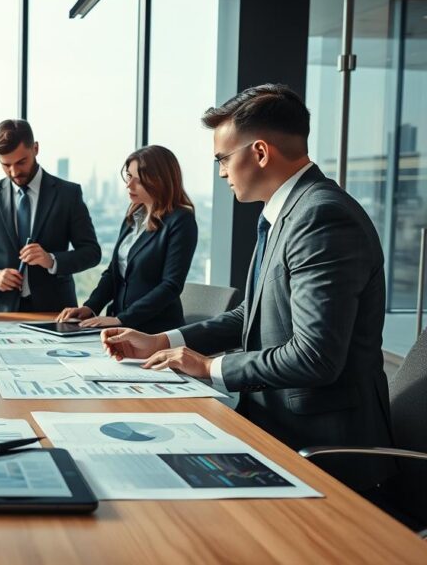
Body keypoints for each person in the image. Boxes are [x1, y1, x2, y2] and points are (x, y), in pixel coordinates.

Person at [101, 84, 394, 492]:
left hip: (324, 449)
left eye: (222, 158)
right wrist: (160, 341)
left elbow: (315, 357)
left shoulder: (321, 217)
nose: (221, 172)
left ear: (259, 152)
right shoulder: (284, 213)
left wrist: (208, 367)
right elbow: (249, 314)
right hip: (274, 425)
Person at [56, 145, 197, 334]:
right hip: (119, 326)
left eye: (139, 180)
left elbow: (170, 286)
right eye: (129, 176)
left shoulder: (181, 220)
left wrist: (122, 319)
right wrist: (90, 307)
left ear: (159, 181)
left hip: (154, 331)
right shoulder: (133, 216)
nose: (129, 185)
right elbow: (114, 273)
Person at [0, 119, 101, 312]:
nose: (14, 172)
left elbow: (92, 252)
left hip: (55, 311)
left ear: (36, 149)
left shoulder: (68, 194)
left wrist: (52, 260)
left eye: (21, 162)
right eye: (6, 165)